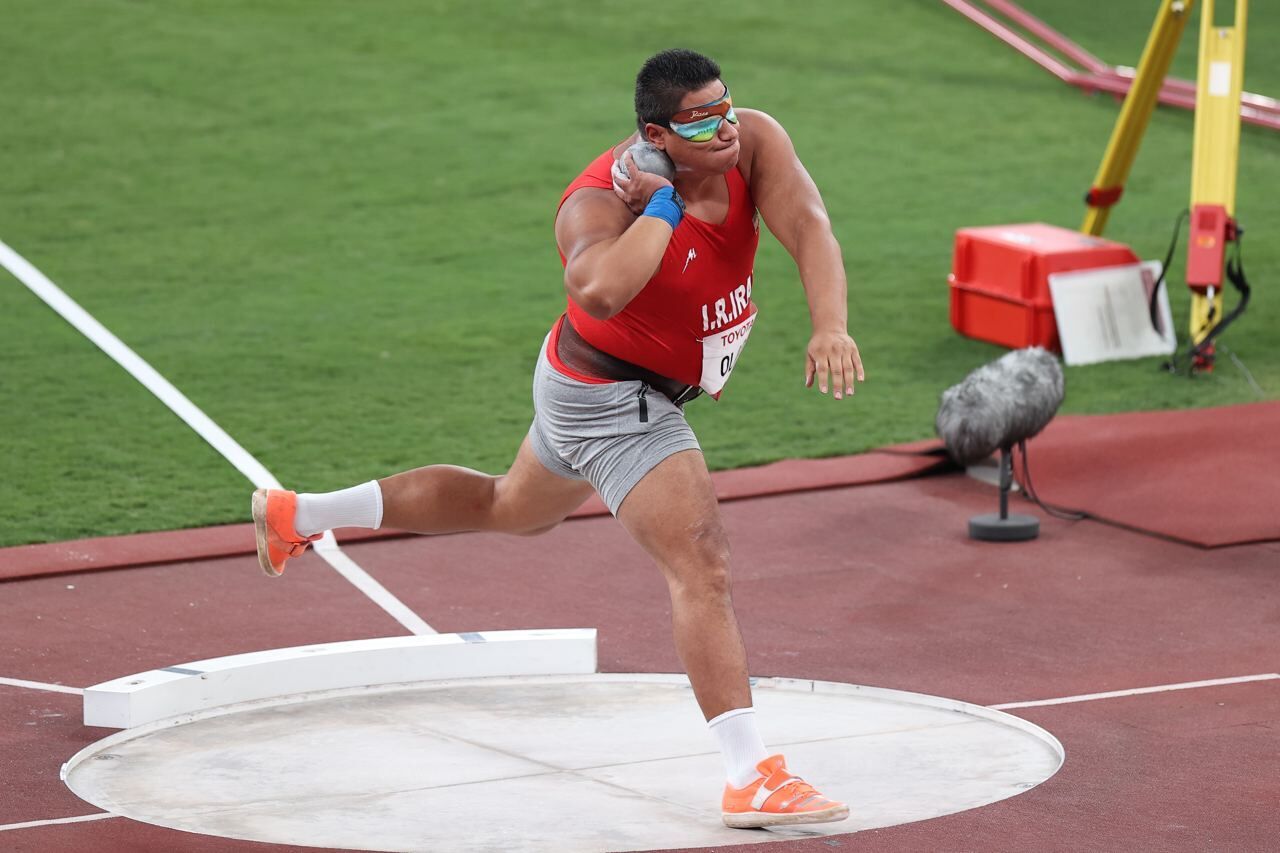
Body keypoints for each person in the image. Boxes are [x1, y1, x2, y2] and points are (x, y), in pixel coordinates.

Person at [252, 48, 863, 829]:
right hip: (610, 394)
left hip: (599, 388)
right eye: (703, 120)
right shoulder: (595, 204)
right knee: (700, 556)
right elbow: (603, 290)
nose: (727, 128)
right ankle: (751, 774)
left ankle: (295, 515)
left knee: (509, 506)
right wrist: (665, 208)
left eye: (728, 106)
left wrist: (831, 324)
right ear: (657, 134)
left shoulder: (757, 143)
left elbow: (809, 225)